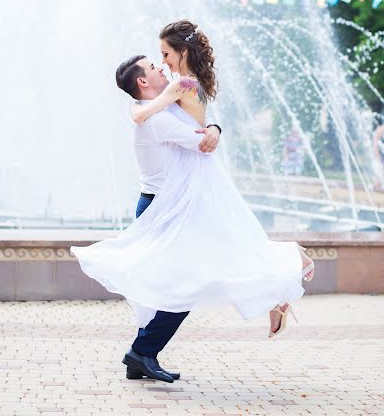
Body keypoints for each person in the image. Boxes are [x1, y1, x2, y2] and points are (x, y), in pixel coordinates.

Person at [71, 20, 315, 382]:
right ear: (142, 83)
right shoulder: (153, 113)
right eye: (156, 64)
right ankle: (144, 351)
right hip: (163, 208)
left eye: (165, 56)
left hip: (170, 206)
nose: (162, 64)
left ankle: (144, 353)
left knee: (187, 280)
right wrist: (206, 129)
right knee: (182, 286)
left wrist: (213, 127)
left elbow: (199, 124)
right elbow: (192, 136)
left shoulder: (166, 101)